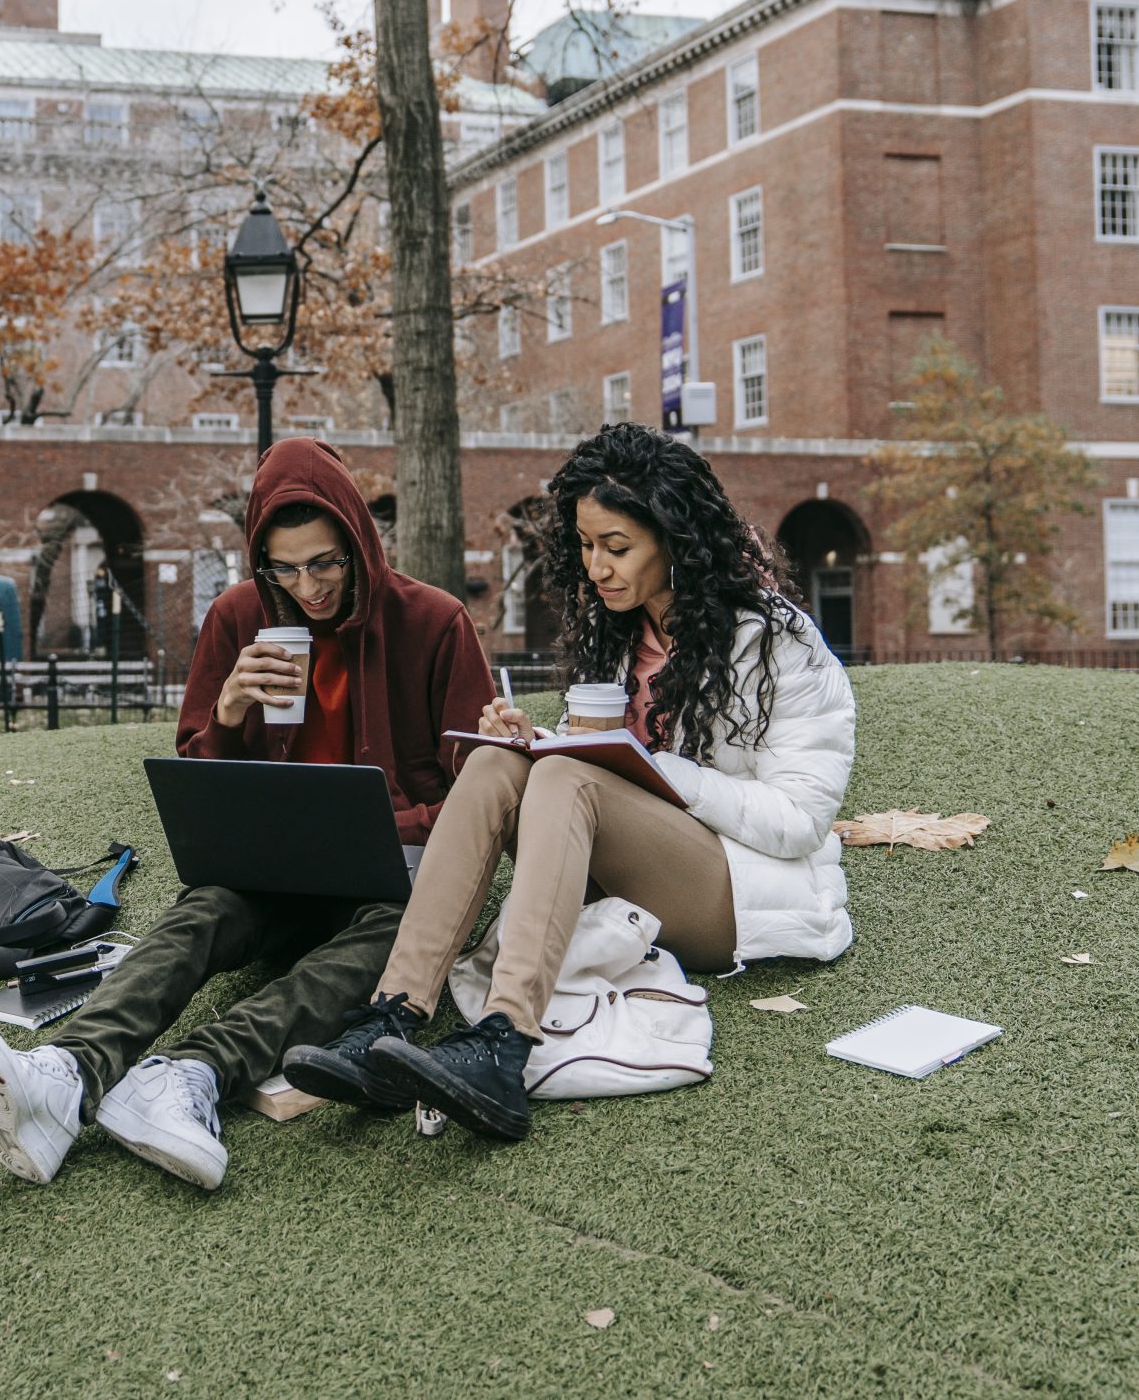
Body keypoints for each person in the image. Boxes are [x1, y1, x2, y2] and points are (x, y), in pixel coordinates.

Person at [0, 437, 493, 1190]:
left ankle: (191, 1074)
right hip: (275, 873)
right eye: (286, 567)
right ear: (258, 560)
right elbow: (199, 783)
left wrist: (406, 816)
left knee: (390, 936)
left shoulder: (435, 621)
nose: (311, 586)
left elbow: (477, 790)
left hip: (390, 878)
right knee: (203, 908)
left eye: (328, 561)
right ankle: (65, 1073)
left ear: (361, 542)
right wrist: (230, 710)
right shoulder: (238, 617)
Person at [285, 422, 855, 1139]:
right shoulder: (621, 634)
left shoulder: (775, 641)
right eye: (586, 547)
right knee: (498, 761)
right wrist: (541, 740)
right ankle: (391, 1013)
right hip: (629, 865)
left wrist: (645, 769)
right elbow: (608, 768)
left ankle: (503, 1040)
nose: (597, 567)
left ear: (676, 539)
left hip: (736, 888)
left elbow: (800, 818)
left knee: (567, 782)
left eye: (617, 547)